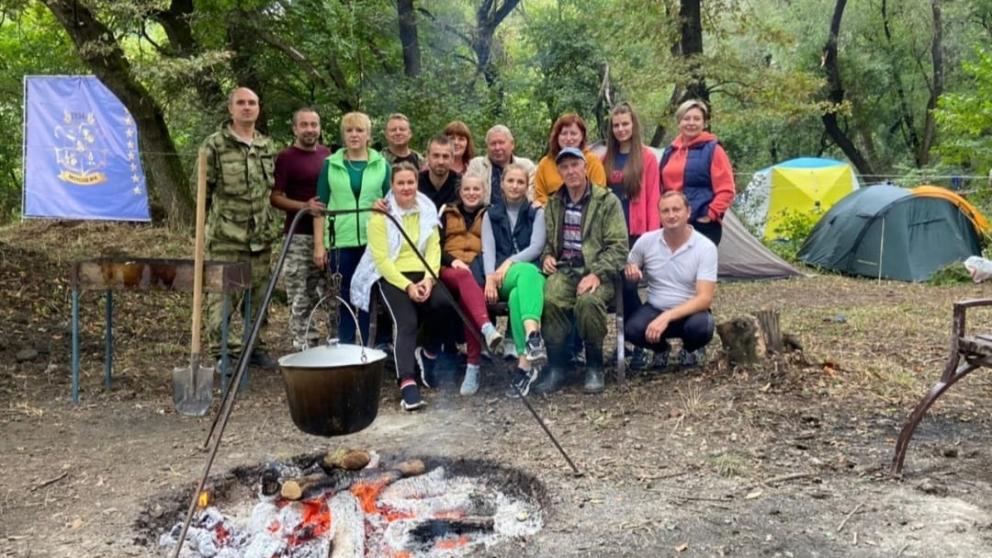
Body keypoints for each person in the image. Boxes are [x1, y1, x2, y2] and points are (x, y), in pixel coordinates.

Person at [350, 162, 453, 411]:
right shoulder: (380, 217)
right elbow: (382, 260)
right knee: (405, 321)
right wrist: (408, 286)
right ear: (392, 186)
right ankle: (407, 382)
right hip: (394, 275)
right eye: (401, 183)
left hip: (424, 272)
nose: (406, 188)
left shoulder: (426, 209)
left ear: (417, 183)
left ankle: (427, 353)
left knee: (445, 304)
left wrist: (428, 279)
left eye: (411, 182)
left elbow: (434, 247)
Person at [536, 147, 628, 395]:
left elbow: (619, 247)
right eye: (564, 167)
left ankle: (594, 365)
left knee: (588, 301)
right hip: (566, 269)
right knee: (549, 298)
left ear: (585, 166)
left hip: (599, 271)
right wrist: (547, 257)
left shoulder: (607, 201)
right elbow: (548, 244)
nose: (571, 171)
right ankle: (557, 366)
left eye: (575, 165)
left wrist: (596, 273)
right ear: (560, 172)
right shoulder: (554, 203)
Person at [201, 87, 279, 369]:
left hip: (260, 236)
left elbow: (270, 191)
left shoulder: (267, 146)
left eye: (252, 103)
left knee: (258, 297)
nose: (247, 108)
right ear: (230, 109)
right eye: (241, 103)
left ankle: (254, 347)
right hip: (225, 237)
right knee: (222, 297)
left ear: (258, 108)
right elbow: (201, 193)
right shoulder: (215, 145)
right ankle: (224, 352)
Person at [313, 112, 391, 344]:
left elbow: (391, 203)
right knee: (343, 295)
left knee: (368, 295)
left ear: (369, 135)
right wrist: (319, 245)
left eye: (359, 130)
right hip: (340, 239)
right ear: (343, 135)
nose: (354, 135)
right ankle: (345, 347)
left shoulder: (382, 165)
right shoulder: (330, 165)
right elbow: (320, 207)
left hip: (373, 240)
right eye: (349, 130)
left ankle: (368, 347)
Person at [624, 191, 717, 369]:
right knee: (632, 330)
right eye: (665, 211)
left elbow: (705, 298)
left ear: (688, 212)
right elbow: (630, 265)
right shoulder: (646, 241)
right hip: (655, 307)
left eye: (676, 209)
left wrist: (667, 316)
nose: (671, 215)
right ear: (659, 214)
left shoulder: (705, 247)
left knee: (702, 328)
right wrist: (632, 271)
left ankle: (690, 349)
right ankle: (661, 350)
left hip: (689, 310)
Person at [602, 102, 661, 369]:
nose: (621, 129)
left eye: (625, 124)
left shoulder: (647, 157)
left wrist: (651, 236)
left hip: (637, 231)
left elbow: (652, 197)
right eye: (616, 125)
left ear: (633, 125)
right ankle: (628, 342)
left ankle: (640, 341)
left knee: (629, 284)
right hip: (613, 233)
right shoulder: (606, 159)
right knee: (618, 287)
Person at [482, 164, 549, 397]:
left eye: (520, 182)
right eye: (510, 181)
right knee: (524, 275)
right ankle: (534, 337)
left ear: (526, 185)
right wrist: (490, 278)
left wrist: (511, 261)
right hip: (503, 277)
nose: (515, 186)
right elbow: (487, 251)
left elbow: (537, 247)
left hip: (531, 276)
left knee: (519, 293)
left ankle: (525, 365)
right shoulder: (491, 214)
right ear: (502, 184)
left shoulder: (535, 211)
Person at [271, 107, 331, 350]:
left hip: (329, 235)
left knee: (331, 291)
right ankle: (304, 343)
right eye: (304, 125)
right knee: (299, 292)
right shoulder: (286, 157)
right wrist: (304, 206)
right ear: (295, 128)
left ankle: (336, 342)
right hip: (297, 235)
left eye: (314, 125)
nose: (310, 129)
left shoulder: (328, 156)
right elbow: (275, 197)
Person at [438, 173, 504, 395]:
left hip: (477, 270)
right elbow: (434, 246)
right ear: (460, 191)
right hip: (447, 270)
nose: (471, 193)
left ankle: (473, 367)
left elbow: (495, 246)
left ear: (484, 191)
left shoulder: (491, 213)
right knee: (467, 280)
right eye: (467, 189)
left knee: (469, 298)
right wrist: (452, 261)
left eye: (476, 189)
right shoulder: (446, 212)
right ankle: (486, 328)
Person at [659, 99, 735, 246]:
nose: (691, 123)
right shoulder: (670, 151)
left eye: (697, 119)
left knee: (697, 269)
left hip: (701, 224)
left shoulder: (714, 150)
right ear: (679, 122)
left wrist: (710, 214)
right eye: (686, 118)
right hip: (672, 224)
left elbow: (727, 189)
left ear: (704, 123)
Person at [533, 113, 606, 205]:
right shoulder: (545, 163)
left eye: (573, 133)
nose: (568, 138)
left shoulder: (591, 161)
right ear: (557, 136)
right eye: (564, 134)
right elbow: (539, 196)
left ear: (582, 136)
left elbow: (600, 194)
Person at [466, 125, 535, 207]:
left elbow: (531, 196)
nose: (497, 148)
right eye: (493, 144)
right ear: (487, 146)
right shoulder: (477, 165)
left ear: (512, 144)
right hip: (483, 214)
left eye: (501, 143)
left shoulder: (526, 166)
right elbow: (469, 193)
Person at [418, 135, 461, 209]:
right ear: (427, 156)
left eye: (445, 156)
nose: (441, 162)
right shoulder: (416, 183)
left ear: (452, 159)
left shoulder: (460, 185)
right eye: (436, 156)